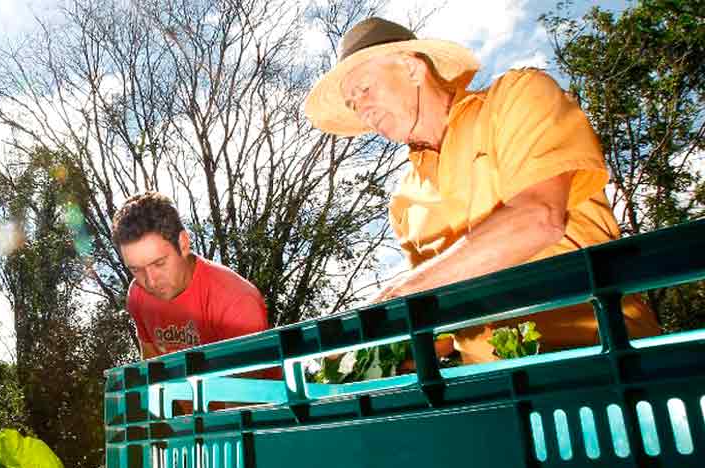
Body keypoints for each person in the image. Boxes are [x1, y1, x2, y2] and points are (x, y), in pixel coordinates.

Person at [303, 17, 660, 362]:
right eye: (352, 103)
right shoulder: (404, 202)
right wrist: (362, 356)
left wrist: (399, 295)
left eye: (364, 89)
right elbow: (439, 327)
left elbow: (539, 218)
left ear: (412, 68)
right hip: (493, 393)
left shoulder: (517, 98)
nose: (361, 109)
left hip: (606, 357)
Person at [113, 191, 270, 359]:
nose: (150, 282)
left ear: (183, 244)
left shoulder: (236, 301)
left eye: (159, 263)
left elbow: (246, 383)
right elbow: (151, 366)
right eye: (136, 270)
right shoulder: (138, 294)